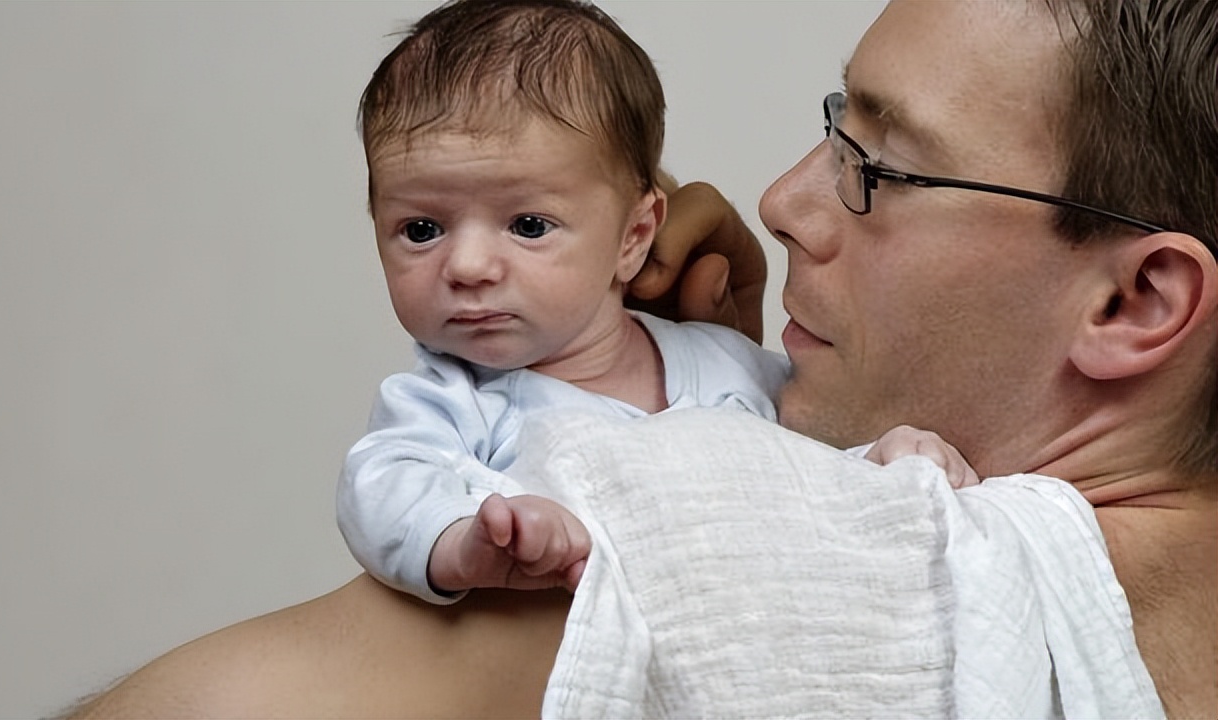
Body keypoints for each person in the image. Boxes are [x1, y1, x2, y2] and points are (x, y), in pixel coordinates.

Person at [67, 0, 1218, 717]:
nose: (776, 201)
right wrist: (717, 377)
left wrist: (707, 460)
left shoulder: (683, 538)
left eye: (879, 167)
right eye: (831, 128)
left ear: (1134, 299)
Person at [340, 0, 975, 606]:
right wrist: (465, 544)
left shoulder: (727, 364)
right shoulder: (448, 404)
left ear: (633, 237)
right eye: (422, 229)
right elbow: (382, 488)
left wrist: (886, 459)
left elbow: (803, 478)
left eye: (528, 225)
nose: (468, 266)